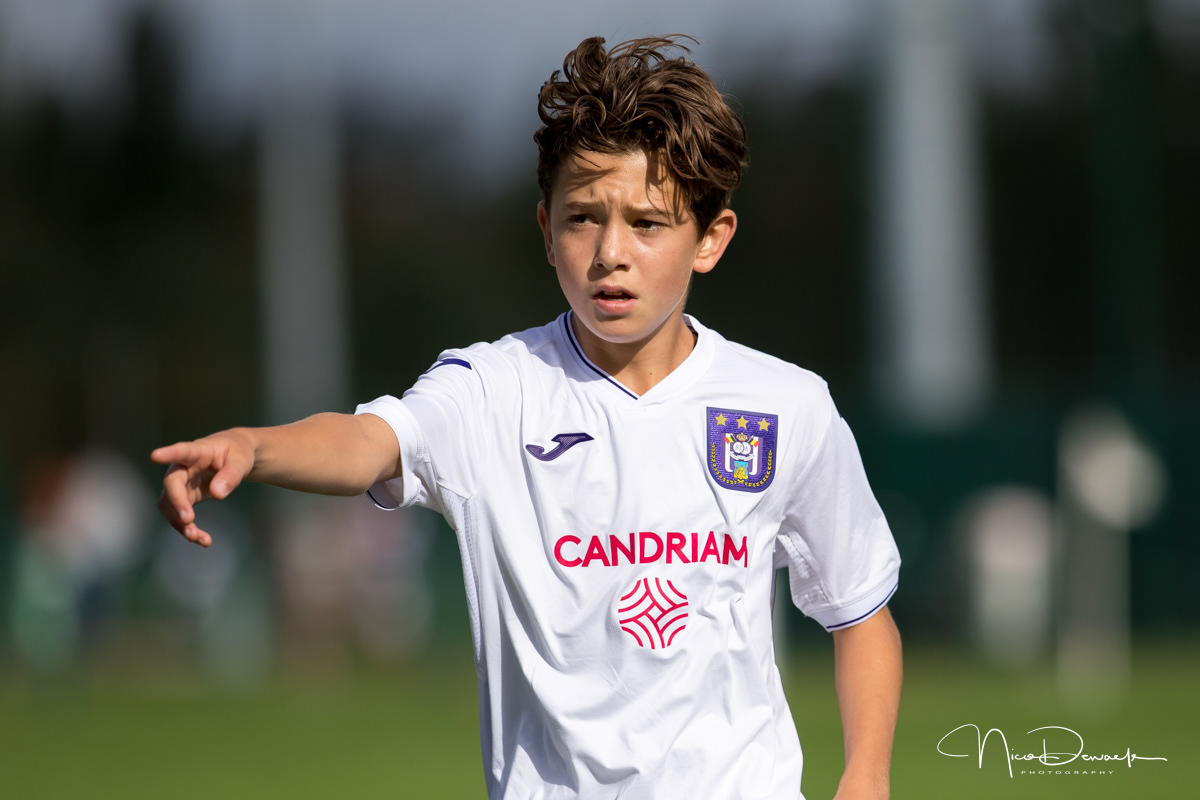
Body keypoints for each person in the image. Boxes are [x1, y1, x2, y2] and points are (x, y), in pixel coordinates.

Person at [153, 35, 903, 800]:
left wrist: (865, 775)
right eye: (583, 219)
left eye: (647, 223)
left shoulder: (784, 404)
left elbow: (858, 610)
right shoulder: (490, 390)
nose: (611, 251)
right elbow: (367, 443)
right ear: (547, 233)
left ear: (710, 238)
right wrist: (254, 444)